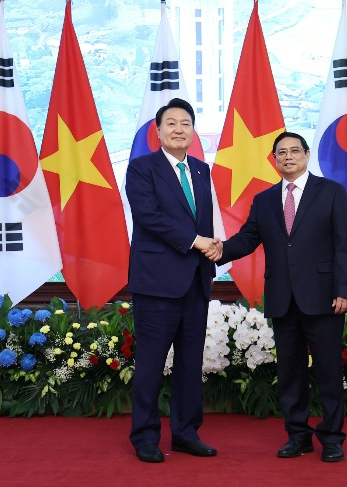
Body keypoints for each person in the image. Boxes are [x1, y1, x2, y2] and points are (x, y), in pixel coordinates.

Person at [210, 132, 347, 462]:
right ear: (274, 160)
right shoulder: (264, 200)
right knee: (290, 372)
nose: (288, 156)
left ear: (306, 155)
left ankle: (332, 438)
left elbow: (345, 245)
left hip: (325, 298)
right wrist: (218, 250)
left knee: (329, 372)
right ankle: (298, 436)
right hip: (282, 297)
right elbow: (247, 239)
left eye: (294, 151)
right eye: (281, 153)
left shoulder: (331, 192)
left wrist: (344, 290)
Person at [126, 97, 221, 463]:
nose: (179, 129)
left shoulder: (200, 169)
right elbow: (149, 217)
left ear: (193, 131)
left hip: (196, 280)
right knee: (151, 362)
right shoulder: (141, 168)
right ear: (159, 130)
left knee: (189, 363)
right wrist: (196, 241)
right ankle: (145, 437)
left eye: (185, 123)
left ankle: (185, 433)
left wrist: (211, 248)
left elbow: (203, 221)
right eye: (171, 123)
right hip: (156, 282)